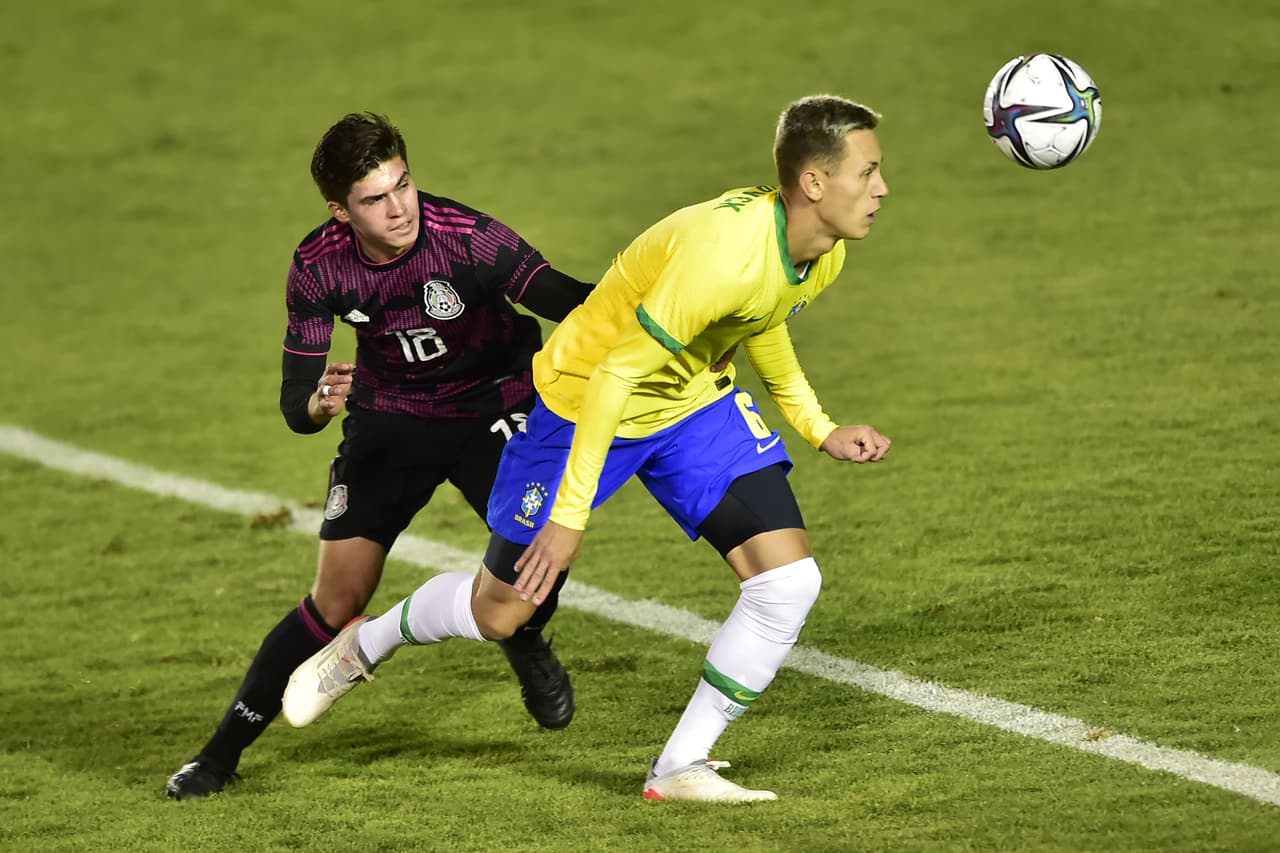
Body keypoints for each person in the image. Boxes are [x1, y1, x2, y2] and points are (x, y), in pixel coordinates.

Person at [282, 95, 892, 802]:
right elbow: (615, 374)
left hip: (690, 402)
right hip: (583, 402)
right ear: (813, 184)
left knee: (787, 581)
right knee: (500, 612)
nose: (881, 189)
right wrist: (570, 517)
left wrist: (818, 426)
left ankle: (678, 766)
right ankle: (368, 642)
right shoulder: (722, 253)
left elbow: (763, 314)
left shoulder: (821, 251)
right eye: (868, 172)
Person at [166, 112, 593, 800]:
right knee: (337, 598)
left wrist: (673, 318)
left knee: (536, 552)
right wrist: (318, 404)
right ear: (340, 212)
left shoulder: (469, 239)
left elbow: (575, 301)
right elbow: (295, 403)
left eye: (403, 184)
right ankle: (218, 755)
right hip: (393, 416)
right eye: (374, 198)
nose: (399, 208)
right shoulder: (319, 263)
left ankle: (525, 640)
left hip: (495, 401)